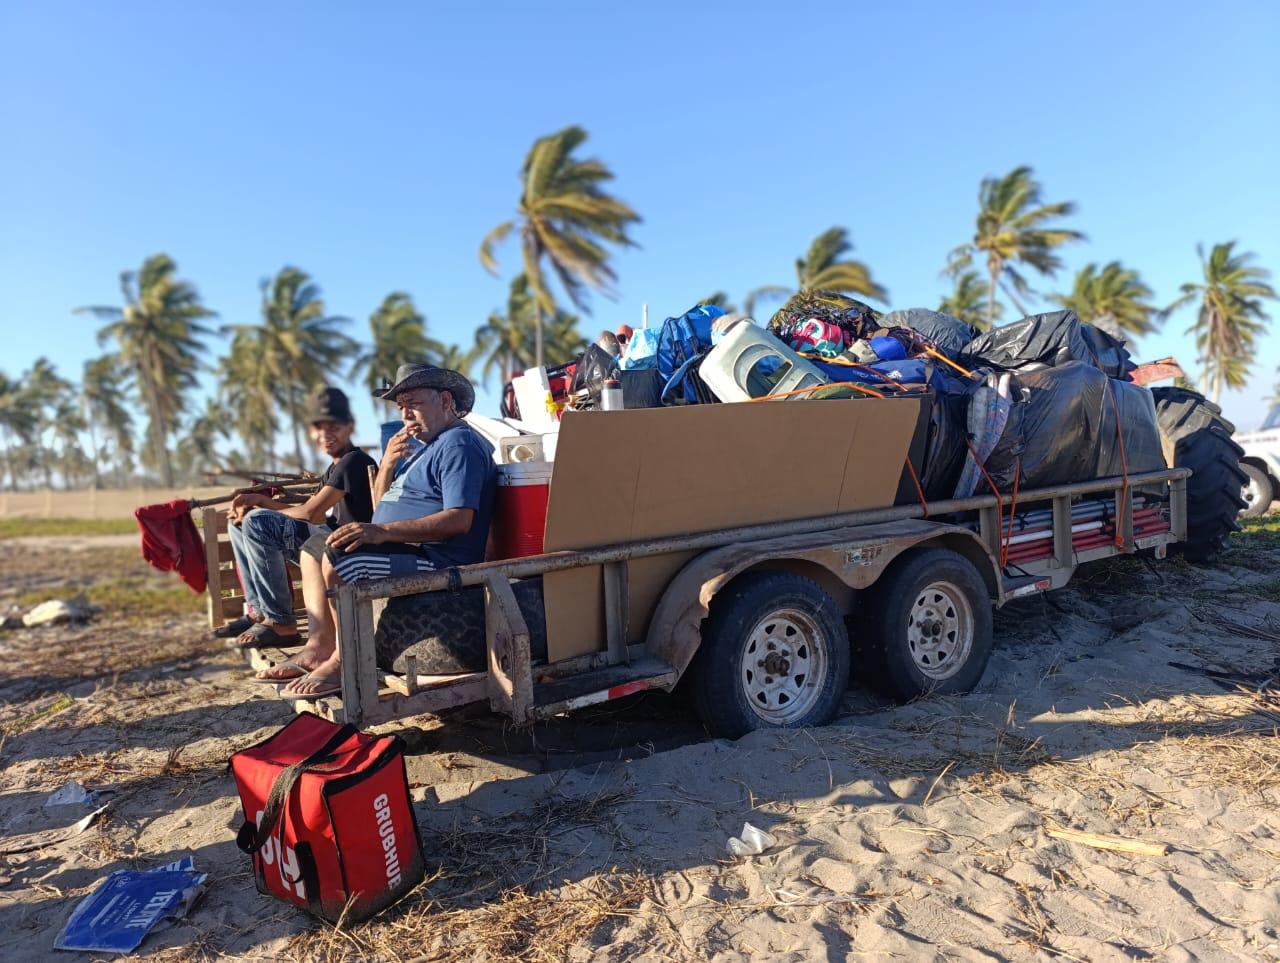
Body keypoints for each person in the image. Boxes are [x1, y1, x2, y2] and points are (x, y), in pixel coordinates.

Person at [254, 363, 497, 698]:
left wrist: (381, 531)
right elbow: (383, 506)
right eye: (400, 407)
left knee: (342, 559)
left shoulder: (459, 444)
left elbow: (459, 520)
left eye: (414, 403)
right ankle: (320, 647)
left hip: (438, 558)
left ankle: (346, 660)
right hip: (409, 548)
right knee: (316, 547)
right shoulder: (426, 448)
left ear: (444, 401)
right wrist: (388, 467)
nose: (406, 415)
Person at [225, 387, 377, 648]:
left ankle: (281, 623)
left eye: (334, 427)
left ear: (350, 427)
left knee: (256, 521)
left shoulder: (354, 461)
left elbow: (311, 513)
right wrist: (258, 501)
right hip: (326, 538)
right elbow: (309, 510)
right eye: (320, 428)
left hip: (345, 547)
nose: (326, 435)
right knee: (238, 524)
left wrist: (261, 508)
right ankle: (259, 611)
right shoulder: (336, 465)